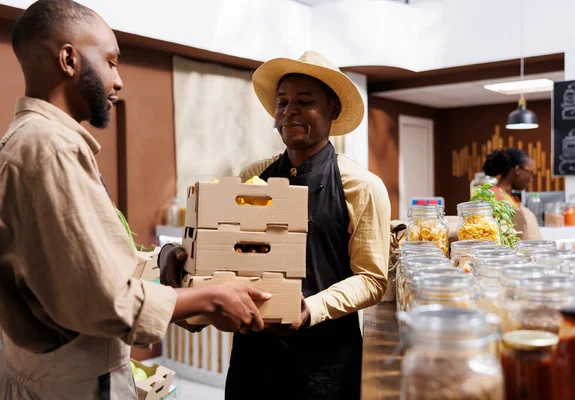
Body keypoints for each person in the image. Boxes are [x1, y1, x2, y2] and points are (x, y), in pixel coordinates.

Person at [0, 1, 269, 399]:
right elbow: (104, 300)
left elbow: (73, 268)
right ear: (69, 59)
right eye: (110, 61)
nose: (118, 80)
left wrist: (160, 264)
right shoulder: (49, 147)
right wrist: (211, 296)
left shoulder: (26, 139)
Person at [160, 51, 391, 399]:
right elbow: (230, 253)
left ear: (333, 109)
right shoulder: (253, 176)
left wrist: (310, 308)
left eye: (305, 101)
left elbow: (372, 279)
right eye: (282, 102)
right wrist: (180, 258)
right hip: (254, 360)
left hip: (325, 364)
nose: (289, 111)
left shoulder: (362, 186)